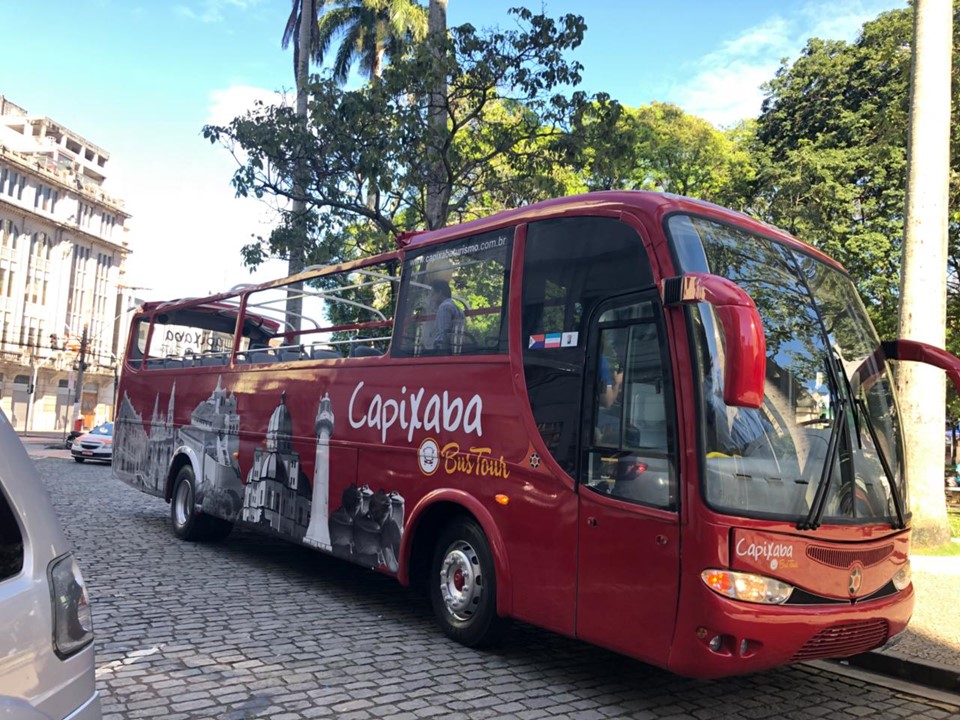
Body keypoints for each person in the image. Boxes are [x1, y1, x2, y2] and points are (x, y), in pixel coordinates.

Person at [429, 281, 465, 352]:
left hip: (444, 351)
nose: (431, 297)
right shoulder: (457, 308)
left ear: (439, 292)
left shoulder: (444, 308)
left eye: (433, 294)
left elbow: (443, 334)